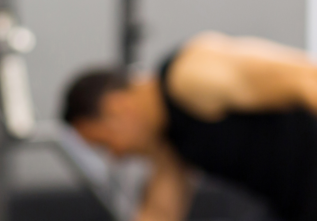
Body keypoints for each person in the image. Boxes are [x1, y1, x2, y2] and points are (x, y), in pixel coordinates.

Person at [62, 32, 317, 221]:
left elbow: (308, 79)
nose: (116, 155)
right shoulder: (170, 139)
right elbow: (160, 212)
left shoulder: (189, 75)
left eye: (105, 143)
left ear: (118, 108)